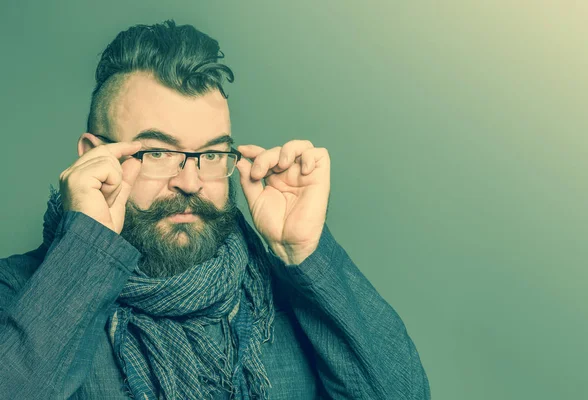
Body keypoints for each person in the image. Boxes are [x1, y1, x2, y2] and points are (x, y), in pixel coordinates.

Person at [0, 20, 430, 400]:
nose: (190, 183)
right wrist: (86, 251)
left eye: (211, 154)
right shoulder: (18, 291)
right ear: (93, 158)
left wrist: (305, 253)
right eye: (156, 152)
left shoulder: (280, 294)